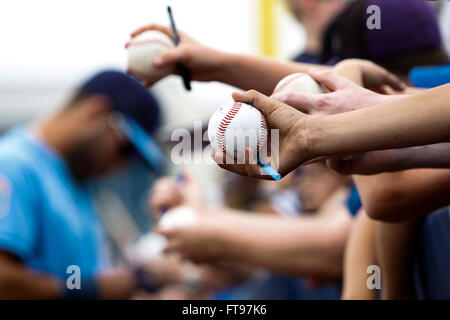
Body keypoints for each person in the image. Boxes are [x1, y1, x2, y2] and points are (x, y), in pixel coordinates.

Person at [0, 70, 165, 299]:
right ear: (96, 113)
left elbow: (71, 274)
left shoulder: (75, 178)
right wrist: (90, 289)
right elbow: (4, 281)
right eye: (125, 150)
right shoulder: (12, 166)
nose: (124, 167)